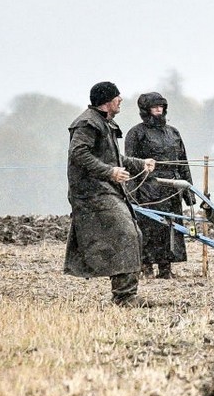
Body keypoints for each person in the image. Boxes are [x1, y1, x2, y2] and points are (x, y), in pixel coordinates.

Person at [64, 81, 155, 307]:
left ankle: (126, 294)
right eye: (117, 96)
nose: (121, 99)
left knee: (131, 234)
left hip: (105, 190)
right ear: (106, 102)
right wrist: (109, 172)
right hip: (91, 193)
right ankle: (125, 297)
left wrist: (140, 164)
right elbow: (78, 154)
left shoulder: (105, 123)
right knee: (126, 234)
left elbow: (113, 158)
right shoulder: (86, 124)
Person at [125, 92, 194, 279]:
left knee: (170, 229)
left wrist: (190, 193)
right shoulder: (136, 133)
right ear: (145, 110)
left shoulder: (173, 133)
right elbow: (129, 165)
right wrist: (131, 193)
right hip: (147, 189)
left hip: (172, 189)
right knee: (148, 229)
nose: (158, 110)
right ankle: (146, 267)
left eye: (161, 107)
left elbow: (183, 163)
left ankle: (166, 268)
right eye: (154, 107)